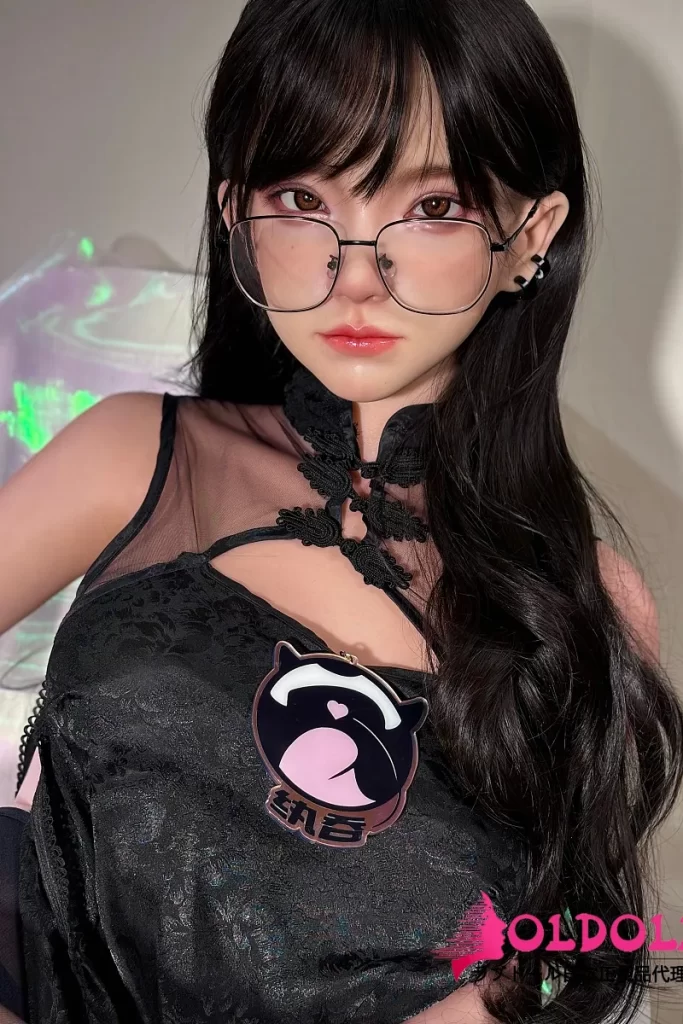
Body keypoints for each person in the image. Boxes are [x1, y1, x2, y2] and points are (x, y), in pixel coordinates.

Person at [1, 0, 681, 1020]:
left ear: (528, 238)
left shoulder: (589, 605)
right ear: (236, 214)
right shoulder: (137, 457)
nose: (355, 272)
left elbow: (565, 958)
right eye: (300, 197)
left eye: (432, 206)